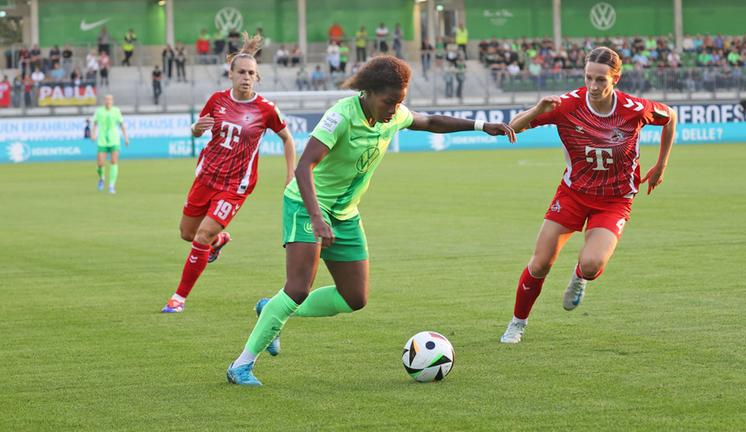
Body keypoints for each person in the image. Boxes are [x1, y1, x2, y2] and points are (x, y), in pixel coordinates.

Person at [225, 55, 516, 386]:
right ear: (368, 92)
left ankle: (271, 310)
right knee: (297, 288)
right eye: (389, 101)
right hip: (308, 206)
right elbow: (304, 165)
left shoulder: (392, 116)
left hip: (345, 213)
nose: (395, 109)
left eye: (400, 102)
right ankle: (241, 365)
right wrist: (318, 219)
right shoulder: (340, 117)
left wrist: (480, 127)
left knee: (355, 297)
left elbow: (430, 121)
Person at [499, 47, 677, 344]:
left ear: (615, 79)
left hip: (615, 200)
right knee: (541, 263)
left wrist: (662, 164)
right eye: (588, 78)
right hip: (573, 194)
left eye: (601, 80)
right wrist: (537, 110)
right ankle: (517, 323)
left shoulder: (634, 109)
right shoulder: (566, 105)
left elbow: (670, 116)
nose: (593, 87)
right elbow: (511, 127)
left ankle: (580, 277)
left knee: (593, 263)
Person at [161, 33, 297, 314]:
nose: (246, 77)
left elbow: (287, 138)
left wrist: (290, 173)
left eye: (251, 73)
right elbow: (199, 128)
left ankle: (178, 298)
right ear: (231, 74)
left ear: (256, 77)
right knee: (187, 233)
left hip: (235, 186)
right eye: (242, 72)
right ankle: (219, 240)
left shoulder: (266, 109)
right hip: (206, 178)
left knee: (201, 237)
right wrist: (195, 129)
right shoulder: (216, 100)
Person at [91, 94, 129, 194]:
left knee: (114, 161)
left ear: (112, 101)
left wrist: (126, 137)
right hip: (102, 140)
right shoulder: (99, 111)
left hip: (114, 140)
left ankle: (112, 185)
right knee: (100, 163)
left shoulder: (116, 111)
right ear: (104, 101)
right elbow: (94, 123)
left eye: (110, 100)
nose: (108, 101)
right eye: (107, 99)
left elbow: (121, 124)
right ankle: (101, 178)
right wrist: (93, 134)